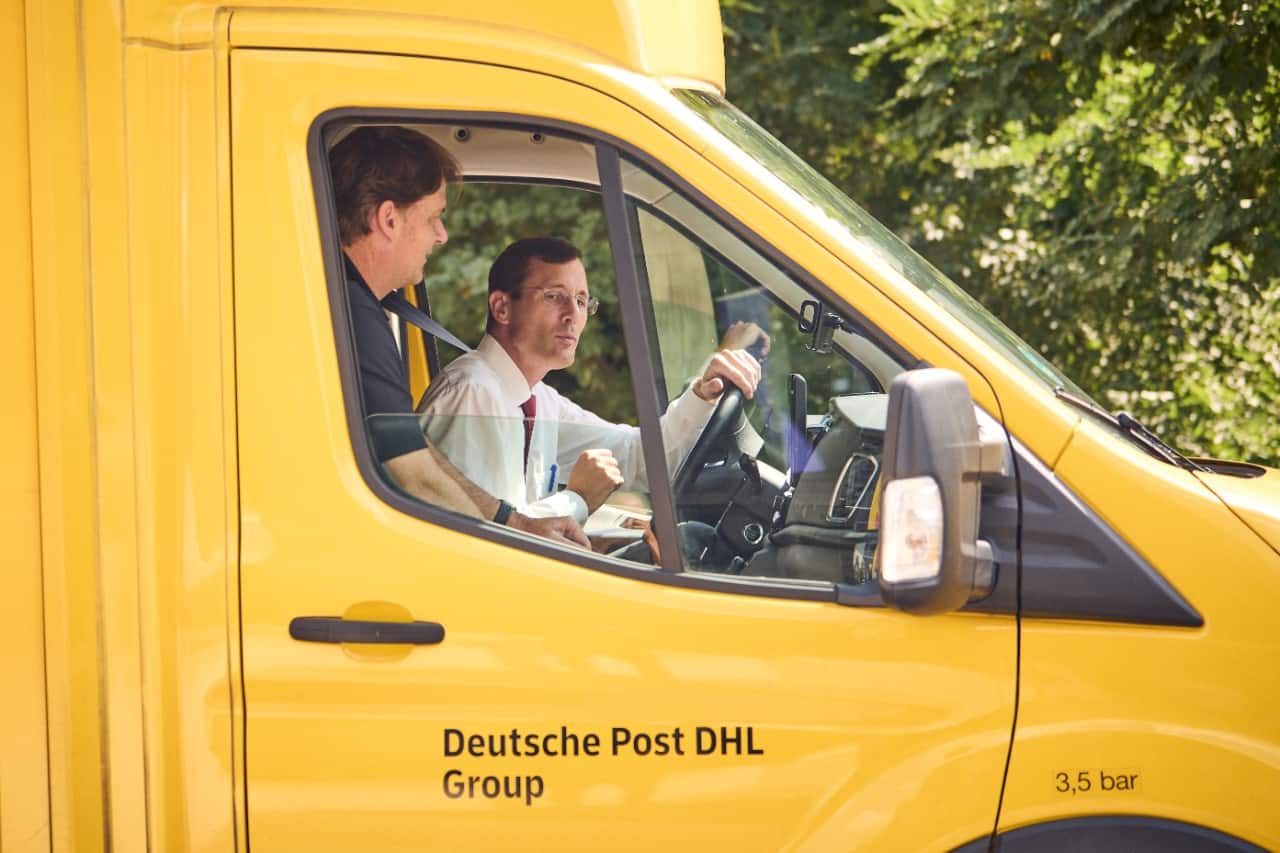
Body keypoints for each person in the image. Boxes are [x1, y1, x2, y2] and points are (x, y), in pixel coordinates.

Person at [329, 126, 588, 548]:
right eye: (434, 217)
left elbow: (415, 453)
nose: (441, 235)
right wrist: (515, 538)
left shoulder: (355, 305)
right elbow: (412, 475)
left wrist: (514, 523)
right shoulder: (350, 314)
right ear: (388, 219)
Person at [416, 236, 763, 538]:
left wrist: (703, 393)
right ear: (502, 307)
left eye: (582, 301)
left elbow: (638, 458)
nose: (573, 315)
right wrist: (578, 499)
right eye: (555, 296)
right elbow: (480, 540)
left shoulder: (539, 399)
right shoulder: (472, 394)